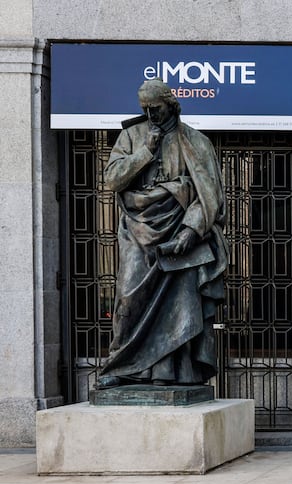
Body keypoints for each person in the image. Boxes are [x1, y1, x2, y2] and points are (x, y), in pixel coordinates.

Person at [97, 78, 227, 388]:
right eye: (145, 109)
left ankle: (170, 373)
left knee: (179, 306)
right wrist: (145, 151)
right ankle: (121, 368)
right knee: (128, 300)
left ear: (171, 105)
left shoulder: (195, 142)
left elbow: (210, 195)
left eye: (155, 108)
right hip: (137, 232)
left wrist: (191, 231)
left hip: (179, 237)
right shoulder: (130, 137)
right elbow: (113, 179)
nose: (150, 115)